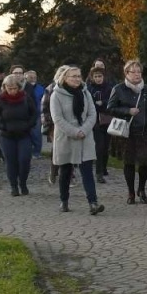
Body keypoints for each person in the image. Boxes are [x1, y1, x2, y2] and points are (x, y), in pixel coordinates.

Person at [50, 65, 104, 215]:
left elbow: (92, 114)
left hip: (84, 136)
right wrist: (74, 131)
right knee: (66, 171)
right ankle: (64, 201)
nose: (76, 79)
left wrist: (84, 130)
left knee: (87, 170)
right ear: (64, 78)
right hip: (66, 137)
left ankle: (93, 203)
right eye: (73, 76)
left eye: (78, 76)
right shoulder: (56, 95)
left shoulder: (85, 93)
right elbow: (57, 119)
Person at [109, 58, 147, 205]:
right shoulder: (118, 89)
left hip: (143, 131)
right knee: (129, 162)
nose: (137, 74)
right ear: (126, 73)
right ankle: (131, 192)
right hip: (126, 131)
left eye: (139, 72)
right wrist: (127, 111)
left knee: (145, 161)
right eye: (134, 72)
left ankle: (141, 189)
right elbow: (110, 108)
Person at [0, 73, 38, 196]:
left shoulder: (25, 98)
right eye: (9, 88)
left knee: (24, 160)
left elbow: (34, 113)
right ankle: (14, 186)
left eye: (14, 88)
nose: (12, 91)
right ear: (5, 88)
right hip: (7, 135)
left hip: (24, 134)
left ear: (19, 87)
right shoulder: (1, 99)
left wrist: (29, 125)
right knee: (11, 161)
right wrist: (2, 126)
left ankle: (23, 183)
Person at [88, 62, 116, 183]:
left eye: (100, 76)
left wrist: (103, 103)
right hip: (95, 121)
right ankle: (98, 172)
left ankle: (104, 167)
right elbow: (88, 104)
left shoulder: (109, 88)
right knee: (99, 146)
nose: (98, 79)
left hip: (107, 119)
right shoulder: (89, 88)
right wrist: (95, 104)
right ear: (92, 77)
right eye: (96, 76)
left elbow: (113, 102)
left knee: (106, 146)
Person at [25, 71, 45, 158]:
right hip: (24, 114)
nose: (33, 79)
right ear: (25, 78)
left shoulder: (41, 89)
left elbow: (44, 102)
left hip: (37, 114)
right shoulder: (22, 88)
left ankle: (36, 153)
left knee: (37, 134)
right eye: (30, 77)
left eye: (34, 77)